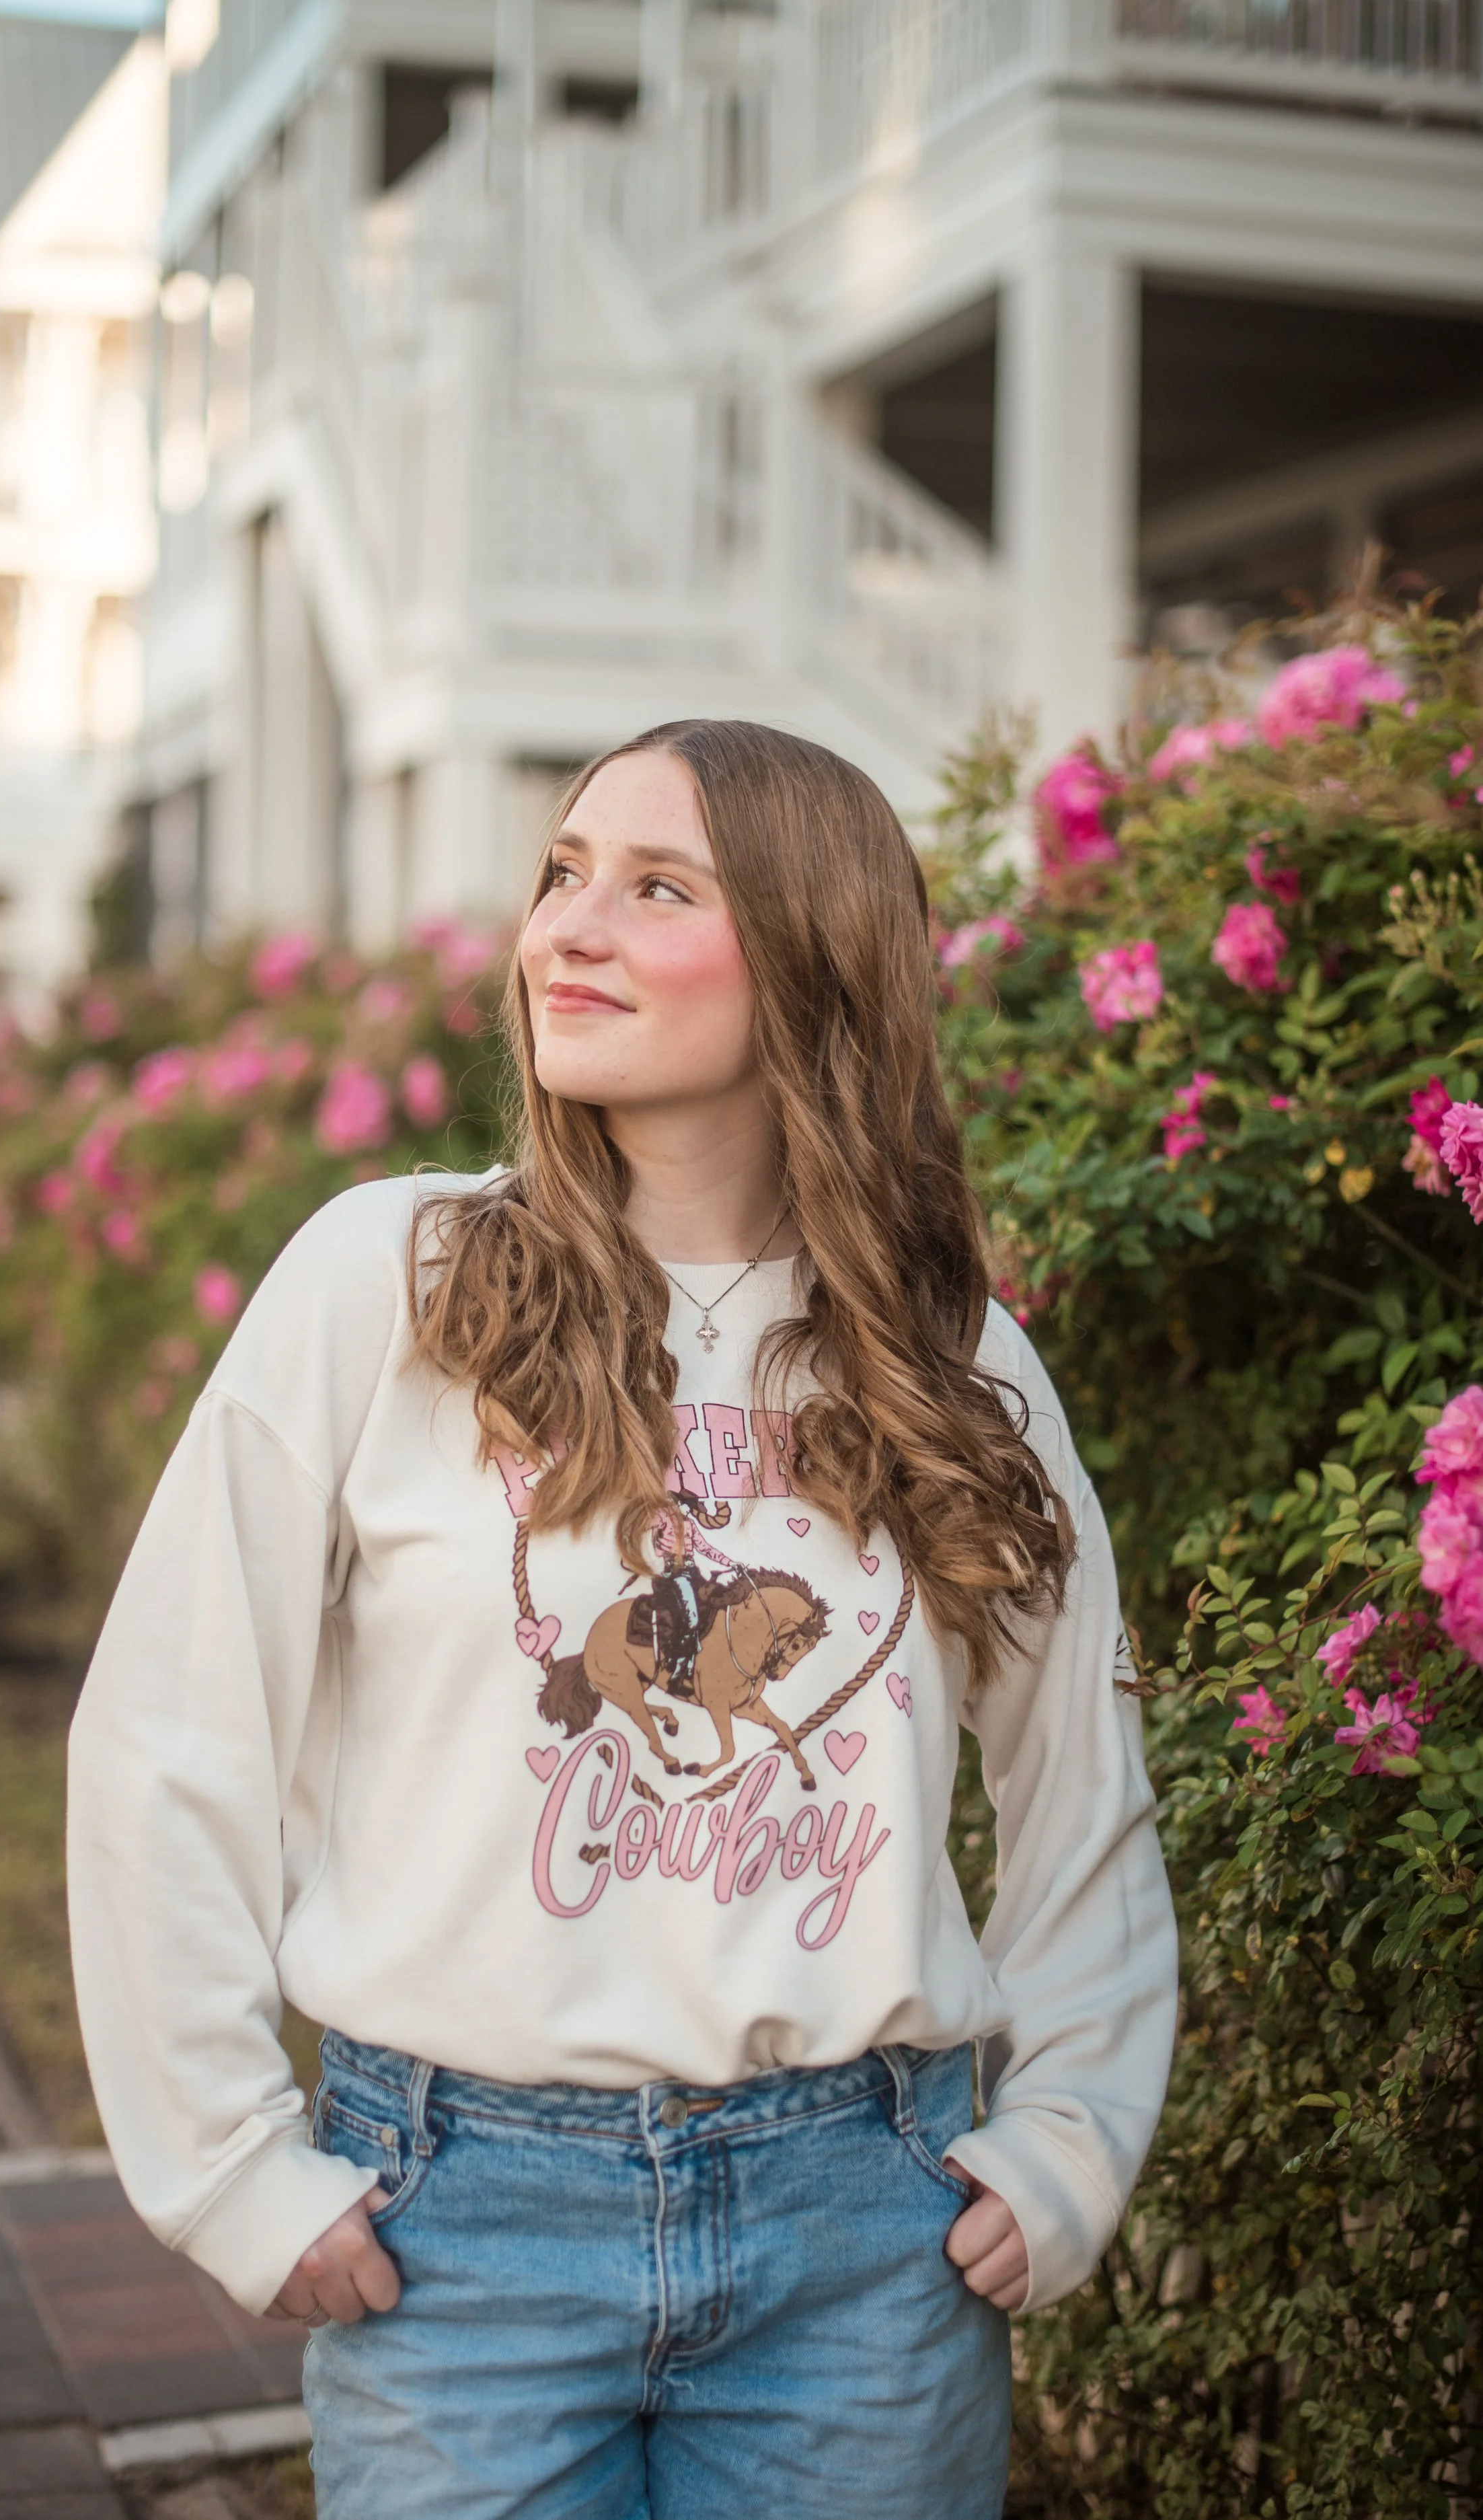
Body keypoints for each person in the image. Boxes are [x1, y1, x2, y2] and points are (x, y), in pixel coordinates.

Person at [68, 720, 1178, 2519]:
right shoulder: (397, 1284)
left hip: (862, 2244)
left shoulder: (951, 1363)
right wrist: (229, 2173)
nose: (566, 929)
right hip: (457, 2233)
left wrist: (1067, 2141)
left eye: (655, 888)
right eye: (559, 874)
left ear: (816, 958)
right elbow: (169, 1738)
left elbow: (1078, 1791)